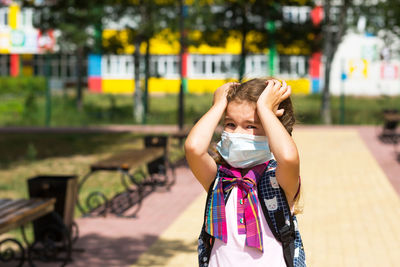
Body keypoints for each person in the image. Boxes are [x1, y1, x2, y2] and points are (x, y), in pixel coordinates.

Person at [184, 78, 306, 267]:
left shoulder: (278, 179)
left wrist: (265, 110)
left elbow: (289, 157)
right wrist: (219, 105)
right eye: (230, 124)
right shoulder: (219, 180)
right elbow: (193, 148)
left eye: (251, 126)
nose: (236, 133)